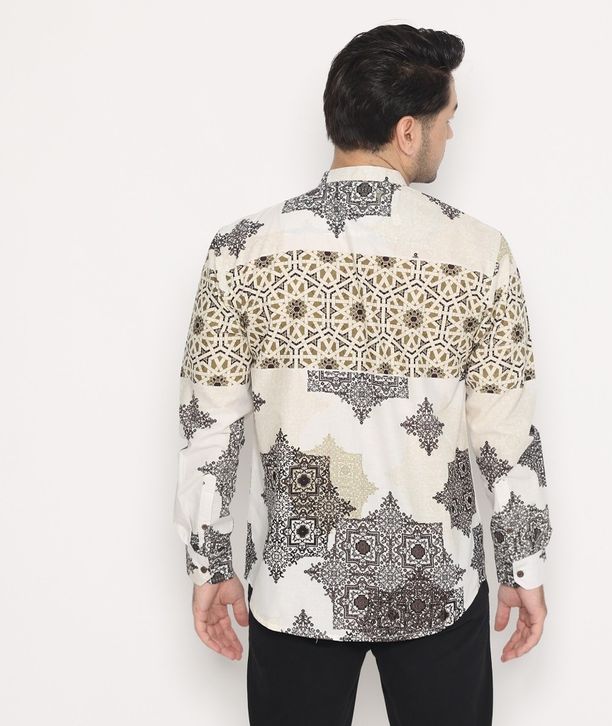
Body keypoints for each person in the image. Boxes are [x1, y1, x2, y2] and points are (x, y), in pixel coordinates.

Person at [174, 23, 553, 726]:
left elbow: (209, 429)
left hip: (294, 589)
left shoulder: (242, 251)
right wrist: (523, 566)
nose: (450, 136)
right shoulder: (480, 253)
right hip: (439, 585)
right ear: (408, 132)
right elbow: (506, 433)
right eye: (447, 120)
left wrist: (209, 563)